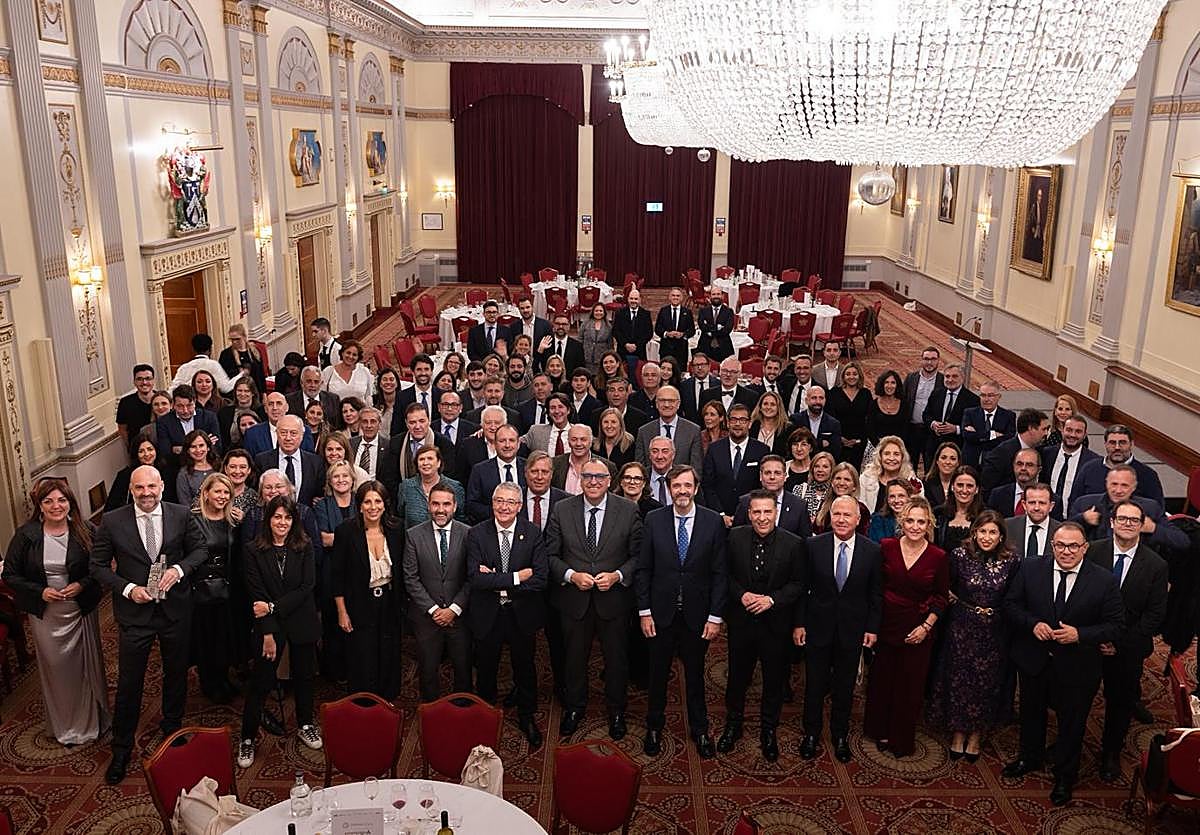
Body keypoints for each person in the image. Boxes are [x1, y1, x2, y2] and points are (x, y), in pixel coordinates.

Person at [90, 465, 208, 784]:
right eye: (139, 488)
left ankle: (172, 728)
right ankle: (122, 747)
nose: (146, 494)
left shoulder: (182, 514)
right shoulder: (113, 521)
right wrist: (129, 589)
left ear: (162, 486)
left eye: (151, 487)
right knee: (130, 682)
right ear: (131, 489)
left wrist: (180, 570)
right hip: (135, 615)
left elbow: (200, 550)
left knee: (176, 672)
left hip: (175, 610)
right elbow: (97, 566)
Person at [1002, 521, 1124, 806]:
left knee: (1072, 724)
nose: (1066, 551)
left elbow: (1116, 626)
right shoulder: (1031, 567)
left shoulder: (1103, 580)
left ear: (1084, 548)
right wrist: (1032, 624)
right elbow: (1011, 605)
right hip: (1034, 659)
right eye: (1060, 545)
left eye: (1073, 546)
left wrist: (1080, 634)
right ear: (1052, 545)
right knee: (1031, 713)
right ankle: (1029, 758)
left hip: (1078, 667)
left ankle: (1064, 777)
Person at [3, 478, 108, 746]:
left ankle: (94, 722)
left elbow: (101, 568)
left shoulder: (86, 531)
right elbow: (11, 575)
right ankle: (65, 724)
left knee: (87, 667)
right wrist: (40, 591)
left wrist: (81, 585)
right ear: (39, 506)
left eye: (61, 500)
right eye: (48, 501)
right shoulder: (26, 536)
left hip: (81, 609)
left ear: (70, 503)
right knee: (57, 669)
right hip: (47, 614)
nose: (56, 506)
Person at [544, 460, 643, 739]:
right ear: (580, 479)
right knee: (574, 659)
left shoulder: (628, 510)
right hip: (574, 600)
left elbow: (638, 557)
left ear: (610, 480)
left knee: (616, 660)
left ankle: (616, 711)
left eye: (600, 476)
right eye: (587, 476)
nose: (594, 481)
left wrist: (618, 576)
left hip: (614, 600)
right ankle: (575, 707)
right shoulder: (562, 509)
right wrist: (571, 575)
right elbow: (550, 556)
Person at [638, 465, 727, 758]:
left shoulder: (713, 522)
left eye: (687, 485)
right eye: (676, 486)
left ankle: (700, 729)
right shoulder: (654, 520)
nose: (682, 491)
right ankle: (654, 726)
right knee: (657, 673)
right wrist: (645, 611)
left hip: (697, 616)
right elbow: (644, 570)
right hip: (660, 614)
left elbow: (719, 573)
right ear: (669, 489)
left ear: (696, 488)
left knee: (695, 675)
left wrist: (715, 616)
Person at [1085, 500, 1169, 782]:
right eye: (1122, 519)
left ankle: (1111, 751)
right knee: (1076, 697)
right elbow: (1079, 598)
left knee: (1119, 703)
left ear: (1142, 525)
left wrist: (1117, 642)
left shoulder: (1156, 565)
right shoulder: (1092, 552)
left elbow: (1154, 614)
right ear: (1111, 522)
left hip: (1128, 648)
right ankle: (1068, 742)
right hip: (1088, 643)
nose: (1127, 524)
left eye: (1134, 520)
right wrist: (1095, 637)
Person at [718, 489, 805, 762]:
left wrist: (772, 600)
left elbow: (799, 584)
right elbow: (724, 574)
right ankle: (733, 724)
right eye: (756, 512)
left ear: (776, 513)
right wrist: (741, 595)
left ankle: (769, 730)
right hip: (741, 622)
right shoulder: (734, 537)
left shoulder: (794, 544)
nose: (762, 517)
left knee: (774, 681)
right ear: (748, 513)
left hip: (775, 624)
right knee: (737, 678)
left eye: (768, 512)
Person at [927, 510, 1020, 761]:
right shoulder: (959, 556)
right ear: (974, 533)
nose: (987, 537)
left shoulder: (1012, 561)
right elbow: (945, 586)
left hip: (995, 631)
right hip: (961, 628)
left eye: (993, 532)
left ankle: (976, 735)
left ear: (1001, 536)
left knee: (986, 684)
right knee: (959, 680)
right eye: (982, 531)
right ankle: (958, 732)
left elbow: (1014, 596)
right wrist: (958, 602)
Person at [237, 495, 322, 768]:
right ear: (268, 520)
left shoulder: (304, 546)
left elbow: (307, 586)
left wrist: (273, 606)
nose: (282, 522)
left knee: (304, 677)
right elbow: (255, 595)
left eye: (287, 517)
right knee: (261, 682)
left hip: (301, 620)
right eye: (277, 517)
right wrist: (268, 632)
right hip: (270, 628)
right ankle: (247, 738)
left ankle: (306, 723)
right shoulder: (253, 550)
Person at [796, 495, 883, 763]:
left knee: (845, 686)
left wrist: (872, 627)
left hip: (852, 629)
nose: (842, 519)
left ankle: (840, 734)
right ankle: (811, 733)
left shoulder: (872, 551)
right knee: (814, 684)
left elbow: (876, 594)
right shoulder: (812, 546)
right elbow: (801, 590)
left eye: (848, 515)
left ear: (858, 519)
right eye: (837, 514)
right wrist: (799, 623)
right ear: (829, 517)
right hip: (817, 627)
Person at [863, 496, 948, 758]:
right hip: (887, 623)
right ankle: (880, 730)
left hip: (918, 628)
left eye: (921, 522)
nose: (914, 526)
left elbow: (941, 597)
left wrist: (926, 627)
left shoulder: (938, 555)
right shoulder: (885, 547)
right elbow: (875, 588)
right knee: (883, 681)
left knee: (910, 686)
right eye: (910, 520)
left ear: (928, 524)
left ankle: (901, 738)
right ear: (901, 521)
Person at [467, 482, 549, 747]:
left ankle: (526, 716)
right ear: (492, 504)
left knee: (524, 668)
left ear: (520, 506)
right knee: (486, 669)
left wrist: (496, 578)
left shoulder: (533, 533)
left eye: (510, 502)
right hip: (487, 614)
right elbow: (476, 579)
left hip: (521, 614)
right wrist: (516, 576)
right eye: (499, 501)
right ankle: (485, 720)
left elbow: (539, 579)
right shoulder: (477, 533)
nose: (504, 507)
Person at [332, 481, 405, 700]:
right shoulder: (345, 531)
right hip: (359, 603)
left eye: (378, 501)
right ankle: (363, 702)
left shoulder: (397, 528)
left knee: (389, 652)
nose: (373, 507)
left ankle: (387, 700)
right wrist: (342, 611)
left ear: (385, 504)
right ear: (360, 505)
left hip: (390, 601)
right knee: (363, 655)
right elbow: (337, 575)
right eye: (367, 502)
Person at [404, 482, 473, 703]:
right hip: (426, 618)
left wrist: (453, 609)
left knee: (463, 670)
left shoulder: (468, 534)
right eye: (435, 504)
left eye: (446, 504)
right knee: (427, 671)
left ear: (455, 506)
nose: (440, 509)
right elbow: (410, 578)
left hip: (459, 616)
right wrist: (435, 610)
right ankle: (431, 714)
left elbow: (472, 577)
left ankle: (462, 713)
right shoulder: (413, 535)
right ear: (428, 505)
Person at [188, 473, 237, 703]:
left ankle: (223, 677)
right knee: (205, 638)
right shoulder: (192, 519)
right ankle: (209, 682)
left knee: (225, 637)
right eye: (218, 491)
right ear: (205, 493)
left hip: (227, 587)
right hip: (201, 590)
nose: (222, 496)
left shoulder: (232, 520)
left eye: (226, 492)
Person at [1069, 465, 1187, 553]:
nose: (1118, 490)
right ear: (1106, 483)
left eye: (1124, 485)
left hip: (1137, 571)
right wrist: (1082, 519)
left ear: (1134, 487)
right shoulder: (1085, 503)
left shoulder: (1151, 508)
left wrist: (1153, 528)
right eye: (1114, 484)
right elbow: (1064, 533)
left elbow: (1182, 541)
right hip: (1093, 568)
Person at [702, 403, 771, 523]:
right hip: (720, 518)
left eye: (743, 420)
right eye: (734, 420)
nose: (738, 424)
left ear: (749, 424)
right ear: (728, 423)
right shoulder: (714, 449)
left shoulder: (762, 450)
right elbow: (708, 485)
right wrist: (720, 514)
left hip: (751, 518)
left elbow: (763, 486)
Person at [1071, 424, 1166, 508]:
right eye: (1112, 443)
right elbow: (1074, 503)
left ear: (1131, 444)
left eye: (1122, 443)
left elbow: (1157, 510)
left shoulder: (1148, 475)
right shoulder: (1089, 468)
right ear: (1105, 444)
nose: (1117, 447)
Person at [380, 402, 456, 498]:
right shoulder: (396, 443)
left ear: (429, 421)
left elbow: (449, 475)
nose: (417, 426)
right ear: (406, 423)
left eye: (422, 421)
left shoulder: (444, 443)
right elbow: (389, 478)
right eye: (412, 422)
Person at [731, 454, 814, 537]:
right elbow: (736, 537)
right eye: (767, 473)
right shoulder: (745, 502)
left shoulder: (799, 505)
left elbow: (805, 541)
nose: (772, 477)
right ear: (760, 476)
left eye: (777, 473)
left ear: (785, 476)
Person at [255, 414, 325, 506]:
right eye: (283, 433)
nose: (288, 438)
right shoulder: (262, 460)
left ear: (302, 435)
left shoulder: (316, 462)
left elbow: (318, 495)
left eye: (293, 433)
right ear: (277, 434)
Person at [465, 424, 527, 522]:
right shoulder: (480, 470)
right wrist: (500, 513)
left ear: (518, 444)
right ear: (494, 444)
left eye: (511, 440)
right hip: (490, 527)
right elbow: (472, 504)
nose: (507, 445)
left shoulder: (528, 467)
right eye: (502, 441)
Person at [634, 385, 703, 472]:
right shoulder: (644, 431)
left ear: (678, 404)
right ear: (656, 404)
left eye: (671, 401)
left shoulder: (693, 431)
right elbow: (639, 469)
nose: (666, 405)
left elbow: (696, 469)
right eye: (662, 401)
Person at [980, 408, 1050, 493]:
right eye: (1044, 429)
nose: (1046, 433)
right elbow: (987, 489)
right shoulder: (1001, 454)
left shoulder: (1043, 452)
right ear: (1031, 428)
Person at [1041, 413, 1098, 515]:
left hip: (1075, 520)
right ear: (1062, 431)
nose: (1072, 435)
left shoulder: (1093, 462)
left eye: (1078, 431)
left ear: (1085, 435)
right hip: (1046, 517)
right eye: (1069, 430)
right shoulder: (1046, 454)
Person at [154, 384, 221, 471]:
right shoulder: (164, 422)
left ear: (195, 402)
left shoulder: (209, 417)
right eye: (180, 406)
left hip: (207, 468)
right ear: (173, 405)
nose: (185, 411)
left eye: (189, 405)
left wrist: (180, 449)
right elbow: (166, 452)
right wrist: (204, 445)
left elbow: (217, 448)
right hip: (177, 469)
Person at [920, 364, 978, 463]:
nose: (950, 380)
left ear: (962, 378)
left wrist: (956, 429)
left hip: (957, 448)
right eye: (947, 376)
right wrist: (933, 424)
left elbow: (975, 426)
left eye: (954, 376)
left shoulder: (973, 400)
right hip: (934, 446)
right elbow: (926, 414)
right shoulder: (936, 394)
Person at [400, 445, 466, 528]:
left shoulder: (455, 487)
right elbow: (401, 516)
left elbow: (461, 519)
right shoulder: (406, 487)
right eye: (421, 459)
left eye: (430, 458)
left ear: (439, 463)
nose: (425, 463)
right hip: (414, 539)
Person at [902, 346, 943, 472]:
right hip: (912, 428)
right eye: (926, 359)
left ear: (938, 361)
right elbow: (903, 400)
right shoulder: (911, 378)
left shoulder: (943, 380)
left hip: (932, 431)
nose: (929, 362)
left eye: (933, 359)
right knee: (909, 464)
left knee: (931, 464)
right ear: (921, 360)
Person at [244, 391, 317, 458]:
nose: (275, 408)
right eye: (270, 404)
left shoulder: (304, 430)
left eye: (279, 403)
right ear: (265, 409)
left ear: (287, 407)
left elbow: (309, 459)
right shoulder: (252, 433)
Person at [960, 380, 1016, 467]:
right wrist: (992, 434)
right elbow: (967, 435)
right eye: (983, 395)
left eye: (991, 395)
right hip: (970, 463)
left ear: (999, 397)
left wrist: (978, 436)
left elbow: (1008, 440)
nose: (986, 399)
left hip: (996, 463)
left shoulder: (1008, 416)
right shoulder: (969, 413)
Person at [859, 435, 920, 513]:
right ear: (880, 457)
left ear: (902, 457)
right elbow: (861, 511)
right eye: (887, 454)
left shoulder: (913, 482)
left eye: (896, 454)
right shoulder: (865, 479)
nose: (891, 458)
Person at [170, 333, 243, 393]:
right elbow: (225, 388)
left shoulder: (184, 368)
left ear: (193, 350)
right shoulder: (213, 365)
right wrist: (242, 374)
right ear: (210, 349)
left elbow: (172, 390)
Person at [985, 447, 1047, 518]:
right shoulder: (997, 495)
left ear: (1039, 470)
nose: (1023, 468)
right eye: (1019, 464)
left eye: (1029, 465)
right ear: (1013, 466)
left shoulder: (1050, 498)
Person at [1005, 482, 1061, 558]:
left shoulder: (1061, 530)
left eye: (1042, 503)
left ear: (1051, 506)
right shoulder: (1007, 526)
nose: (1036, 508)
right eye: (1032, 503)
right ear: (1024, 505)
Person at [812, 463, 870, 536]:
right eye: (838, 478)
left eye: (847, 480)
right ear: (832, 482)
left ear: (854, 486)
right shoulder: (824, 505)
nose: (841, 483)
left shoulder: (861, 509)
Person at [935, 465, 983, 552]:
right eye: (960, 485)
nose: (964, 490)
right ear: (952, 487)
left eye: (969, 486)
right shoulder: (938, 513)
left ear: (976, 489)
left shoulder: (985, 516)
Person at [107, 438, 161, 512]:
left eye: (150, 449)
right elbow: (112, 505)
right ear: (136, 454)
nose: (147, 454)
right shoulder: (125, 476)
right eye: (141, 451)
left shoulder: (166, 471)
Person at [791, 384, 843, 460]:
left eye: (821, 398)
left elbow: (835, 453)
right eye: (814, 398)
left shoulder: (834, 424)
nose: (817, 401)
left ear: (825, 400)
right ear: (806, 400)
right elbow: (792, 446)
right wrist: (821, 443)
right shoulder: (795, 420)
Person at [612, 288, 653, 380]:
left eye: (635, 299)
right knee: (621, 376)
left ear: (640, 300)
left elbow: (648, 333)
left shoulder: (646, 314)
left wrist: (636, 345)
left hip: (639, 351)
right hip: (622, 350)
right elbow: (616, 331)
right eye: (631, 299)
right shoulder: (620, 313)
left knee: (638, 377)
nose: (633, 301)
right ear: (628, 299)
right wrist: (626, 344)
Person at [116, 364, 158, 451]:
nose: (144, 382)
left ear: (153, 381)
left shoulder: (162, 400)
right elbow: (122, 429)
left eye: (148, 378)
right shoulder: (125, 403)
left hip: (160, 449)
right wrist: (131, 447)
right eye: (139, 379)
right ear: (134, 382)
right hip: (138, 452)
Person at [321, 339, 374, 404]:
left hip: (360, 412)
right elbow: (323, 397)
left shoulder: (364, 371)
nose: (350, 356)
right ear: (342, 353)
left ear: (358, 357)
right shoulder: (328, 372)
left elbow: (368, 397)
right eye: (348, 353)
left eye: (354, 355)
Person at [218, 323, 267, 393]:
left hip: (255, 391)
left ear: (244, 337)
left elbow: (261, 375)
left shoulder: (254, 352)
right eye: (232, 340)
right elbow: (223, 377)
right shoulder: (226, 354)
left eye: (237, 339)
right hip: (235, 392)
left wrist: (264, 393)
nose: (234, 342)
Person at [218, 378, 265, 450]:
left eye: (246, 391)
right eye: (239, 391)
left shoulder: (263, 411)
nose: (242, 394)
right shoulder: (224, 413)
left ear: (253, 393)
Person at [176, 429, 218, 508]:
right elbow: (185, 504)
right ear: (188, 450)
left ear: (208, 447)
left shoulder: (219, 468)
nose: (198, 450)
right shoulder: (184, 473)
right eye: (193, 447)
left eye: (201, 445)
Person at [653, 286, 694, 368]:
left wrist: (683, 334)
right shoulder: (663, 311)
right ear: (669, 297)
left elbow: (692, 330)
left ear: (682, 298)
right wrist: (666, 334)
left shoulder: (687, 312)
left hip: (681, 349)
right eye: (673, 295)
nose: (675, 298)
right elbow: (657, 328)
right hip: (666, 348)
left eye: (678, 296)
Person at [868, 369, 909, 448]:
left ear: (897, 385)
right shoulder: (873, 404)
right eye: (886, 382)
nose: (889, 386)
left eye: (893, 383)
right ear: (882, 385)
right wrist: (880, 447)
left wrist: (896, 446)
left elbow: (905, 429)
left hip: (898, 446)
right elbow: (870, 430)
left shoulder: (904, 404)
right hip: (877, 446)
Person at [749, 391, 792, 459]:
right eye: (765, 404)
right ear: (760, 407)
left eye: (773, 404)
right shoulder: (751, 426)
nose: (768, 407)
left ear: (778, 408)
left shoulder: (787, 429)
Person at [796, 451, 836, 524]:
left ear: (831, 470)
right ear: (812, 469)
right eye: (816, 466)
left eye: (825, 467)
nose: (820, 470)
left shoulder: (835, 493)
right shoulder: (800, 489)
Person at [697, 286, 735, 361]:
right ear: (710, 296)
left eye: (718, 294)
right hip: (705, 346)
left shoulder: (729, 311)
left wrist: (710, 331)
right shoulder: (703, 311)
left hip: (724, 347)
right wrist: (717, 327)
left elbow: (727, 329)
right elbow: (702, 327)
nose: (716, 296)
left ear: (722, 296)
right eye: (714, 294)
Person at [349, 406, 386, 481]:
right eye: (365, 422)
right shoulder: (350, 444)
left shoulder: (388, 446)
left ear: (379, 424)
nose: (369, 426)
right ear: (360, 424)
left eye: (373, 421)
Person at [681, 352, 720, 423]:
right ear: (692, 368)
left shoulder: (718, 384)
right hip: (690, 427)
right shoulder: (684, 386)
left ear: (709, 366)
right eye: (696, 365)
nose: (699, 368)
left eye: (702, 364)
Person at [923, 441, 960, 510]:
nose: (948, 462)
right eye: (943, 458)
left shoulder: (963, 484)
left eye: (953, 459)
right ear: (937, 461)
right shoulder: (926, 483)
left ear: (958, 463)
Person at [783, 427, 815, 495]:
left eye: (804, 444)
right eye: (795, 444)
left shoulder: (816, 469)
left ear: (811, 448)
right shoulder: (783, 467)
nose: (799, 449)